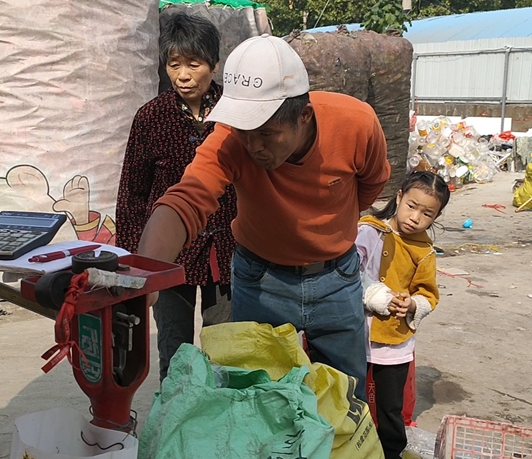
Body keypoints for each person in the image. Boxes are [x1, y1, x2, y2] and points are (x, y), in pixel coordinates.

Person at [137, 34, 390, 400]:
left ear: (303, 117)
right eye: (244, 131)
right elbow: (186, 201)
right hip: (260, 282)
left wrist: (333, 227)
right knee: (258, 401)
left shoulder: (355, 123)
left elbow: (371, 185)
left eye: (267, 134)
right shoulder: (230, 139)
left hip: (337, 279)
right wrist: (146, 271)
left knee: (343, 401)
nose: (253, 146)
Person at [115, 13, 236, 382]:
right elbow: (132, 196)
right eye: (174, 64)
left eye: (194, 64)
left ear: (214, 65)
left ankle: (222, 428)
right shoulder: (151, 117)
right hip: (168, 256)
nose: (183, 75)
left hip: (227, 252)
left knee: (226, 353)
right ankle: (174, 427)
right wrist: (134, 265)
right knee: (175, 354)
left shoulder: (236, 114)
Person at [355, 171, 449, 459]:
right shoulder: (367, 230)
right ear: (398, 197)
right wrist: (377, 297)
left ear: (436, 217)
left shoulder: (424, 251)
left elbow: (429, 295)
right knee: (350, 397)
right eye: (411, 206)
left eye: (427, 213)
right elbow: (347, 272)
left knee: (389, 407)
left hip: (393, 340)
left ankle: (390, 452)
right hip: (354, 332)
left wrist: (412, 305)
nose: (416, 217)